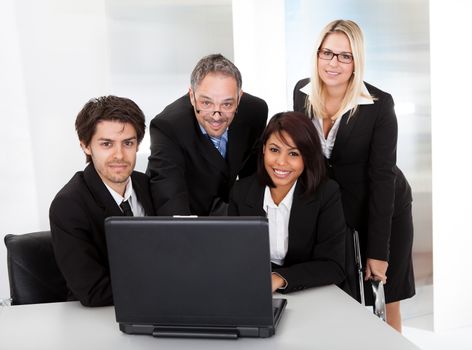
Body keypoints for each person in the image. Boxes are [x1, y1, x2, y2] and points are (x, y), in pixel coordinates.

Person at [293, 19, 415, 332]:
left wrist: (378, 252)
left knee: (384, 302)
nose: (333, 63)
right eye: (327, 53)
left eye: (344, 56)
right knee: (342, 300)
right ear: (317, 54)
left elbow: (382, 178)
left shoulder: (378, 104)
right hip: (337, 211)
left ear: (356, 60)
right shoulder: (302, 93)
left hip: (384, 207)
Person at [49, 96, 155, 307]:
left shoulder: (149, 187)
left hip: (156, 311)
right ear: (86, 146)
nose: (119, 155)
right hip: (97, 320)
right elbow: (94, 291)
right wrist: (169, 284)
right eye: (107, 144)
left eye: (128, 143)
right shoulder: (68, 205)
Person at [229, 111, 346, 293]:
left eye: (293, 153)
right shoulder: (241, 191)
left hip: (310, 290)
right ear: (263, 149)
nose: (281, 162)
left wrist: (280, 278)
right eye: (274, 150)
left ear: (307, 157)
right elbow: (235, 255)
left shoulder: (326, 194)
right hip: (254, 289)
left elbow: (333, 266)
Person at [147, 54, 268, 216]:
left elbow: (252, 180)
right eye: (206, 103)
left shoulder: (255, 112)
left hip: (228, 212)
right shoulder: (168, 127)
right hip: (188, 212)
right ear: (192, 96)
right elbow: (170, 203)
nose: (216, 116)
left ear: (239, 98)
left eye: (227, 104)